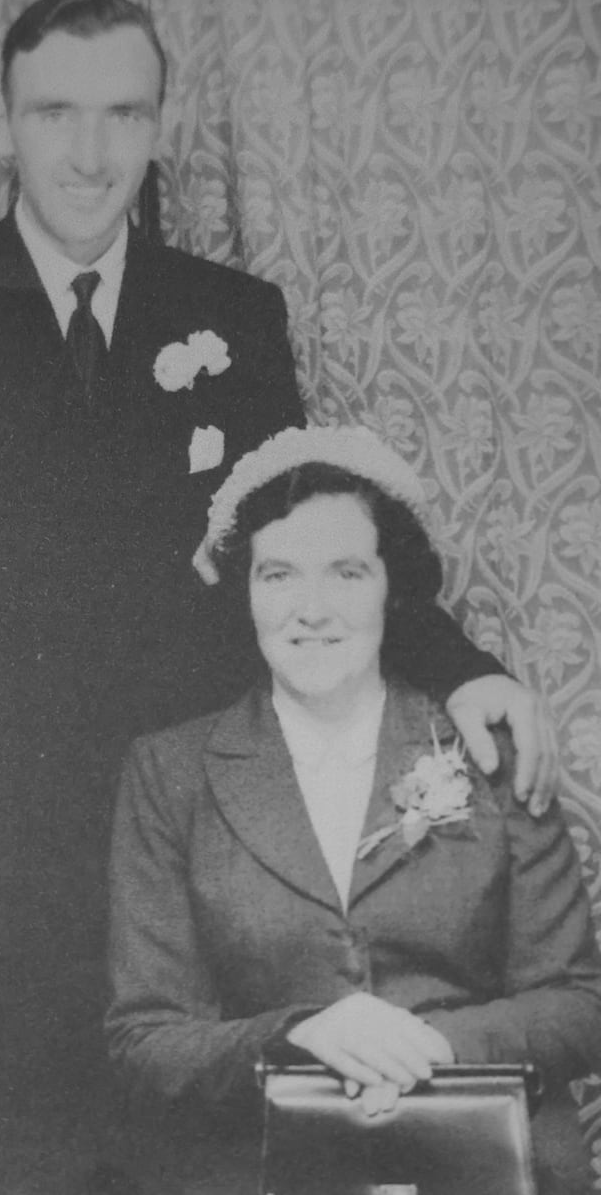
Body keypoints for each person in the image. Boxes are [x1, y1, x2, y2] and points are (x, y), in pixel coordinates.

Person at [0, 0, 551, 1194]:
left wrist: (463, 669)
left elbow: (305, 534)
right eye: (54, 113)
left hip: (194, 877)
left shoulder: (228, 317)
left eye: (121, 114)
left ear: (160, 128)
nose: (89, 152)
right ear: (1, 125)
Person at [106, 423, 601, 1195]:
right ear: (245, 590)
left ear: (390, 586)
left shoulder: (488, 748)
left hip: (489, 1158)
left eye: (345, 572)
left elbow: (579, 1003)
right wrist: (301, 1033)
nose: (311, 608)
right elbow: (147, 1039)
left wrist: (429, 1046)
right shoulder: (170, 772)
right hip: (262, 1163)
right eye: (277, 575)